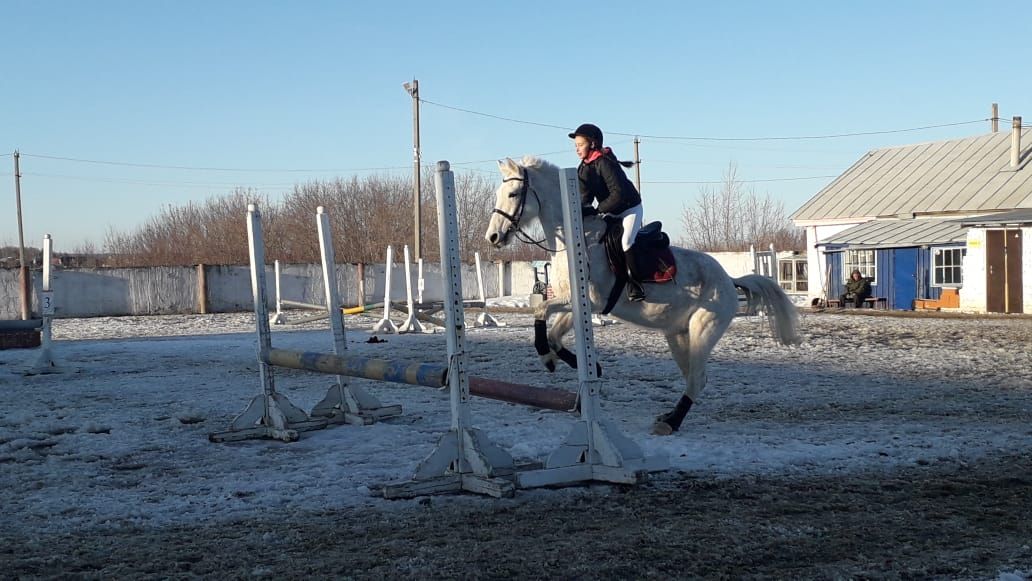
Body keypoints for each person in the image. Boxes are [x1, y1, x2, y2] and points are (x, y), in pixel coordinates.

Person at [568, 123, 647, 301]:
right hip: (610, 211)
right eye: (576, 146)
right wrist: (579, 211)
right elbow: (585, 197)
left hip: (629, 209)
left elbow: (618, 195)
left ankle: (636, 285)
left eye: (580, 145)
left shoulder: (605, 162)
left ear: (593, 144)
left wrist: (598, 210)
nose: (577, 149)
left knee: (626, 241)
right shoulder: (584, 168)